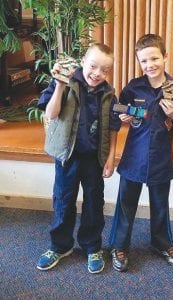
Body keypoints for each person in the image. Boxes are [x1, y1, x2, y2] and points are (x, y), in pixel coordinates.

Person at [109, 34, 173, 272]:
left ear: (165, 56)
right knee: (126, 203)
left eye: (154, 58)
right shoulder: (133, 87)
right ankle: (120, 245)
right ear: (139, 62)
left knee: (160, 204)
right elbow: (119, 108)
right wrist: (124, 115)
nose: (150, 65)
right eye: (144, 61)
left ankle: (162, 243)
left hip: (161, 157)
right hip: (134, 156)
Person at [36, 43, 121, 274]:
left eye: (105, 70)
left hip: (95, 158)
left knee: (94, 203)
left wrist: (111, 158)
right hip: (68, 157)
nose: (97, 74)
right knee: (63, 201)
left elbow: (114, 127)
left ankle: (92, 246)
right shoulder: (64, 81)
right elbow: (51, 114)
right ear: (83, 61)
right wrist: (60, 86)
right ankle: (60, 246)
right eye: (93, 66)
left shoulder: (109, 94)